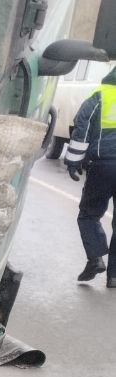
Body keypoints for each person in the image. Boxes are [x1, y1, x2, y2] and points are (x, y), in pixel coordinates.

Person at [65, 66, 116, 286]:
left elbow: (82, 128)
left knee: (88, 214)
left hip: (102, 166)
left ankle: (95, 258)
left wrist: (73, 161)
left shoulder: (100, 96)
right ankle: (114, 276)